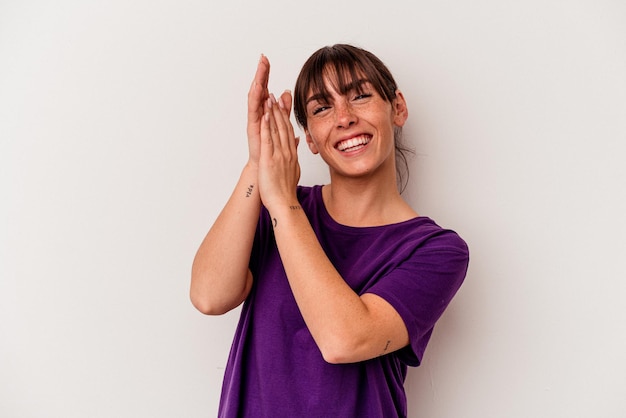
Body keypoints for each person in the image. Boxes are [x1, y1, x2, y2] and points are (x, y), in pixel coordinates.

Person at [190, 44, 469, 417]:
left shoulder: (435, 250)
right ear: (310, 139)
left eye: (360, 96)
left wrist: (283, 204)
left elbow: (344, 340)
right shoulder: (277, 206)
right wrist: (257, 165)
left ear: (397, 107)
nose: (344, 117)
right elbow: (209, 296)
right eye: (322, 108)